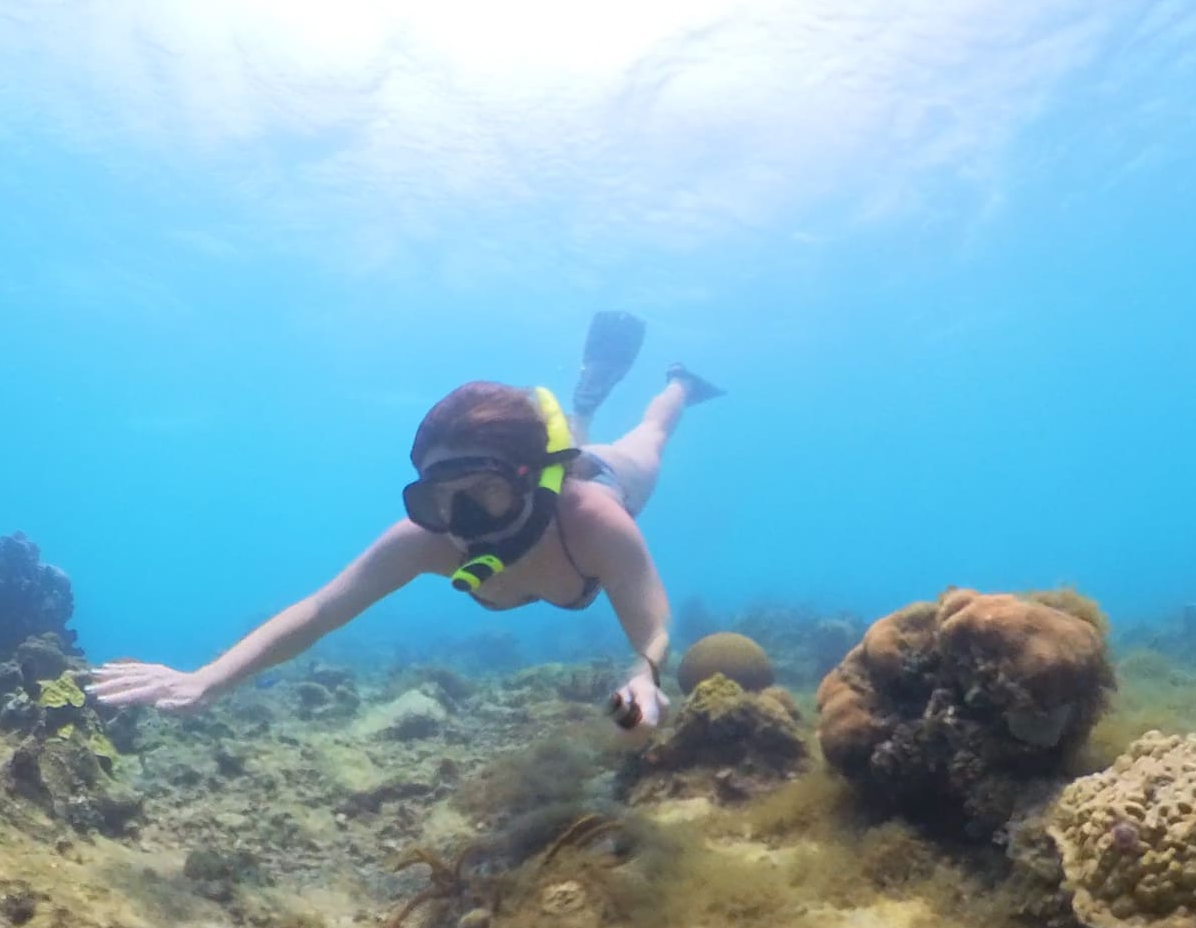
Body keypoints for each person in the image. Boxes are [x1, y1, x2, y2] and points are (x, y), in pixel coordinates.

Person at [86, 312, 724, 729]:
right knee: (572, 433)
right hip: (549, 476)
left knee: (650, 438)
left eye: (484, 494)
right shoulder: (430, 539)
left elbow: (652, 626)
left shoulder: (595, 521)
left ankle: (678, 385)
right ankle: (585, 397)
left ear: (528, 481)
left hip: (602, 477)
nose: (462, 520)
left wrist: (646, 675)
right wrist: (207, 679)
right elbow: (319, 612)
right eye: (439, 498)